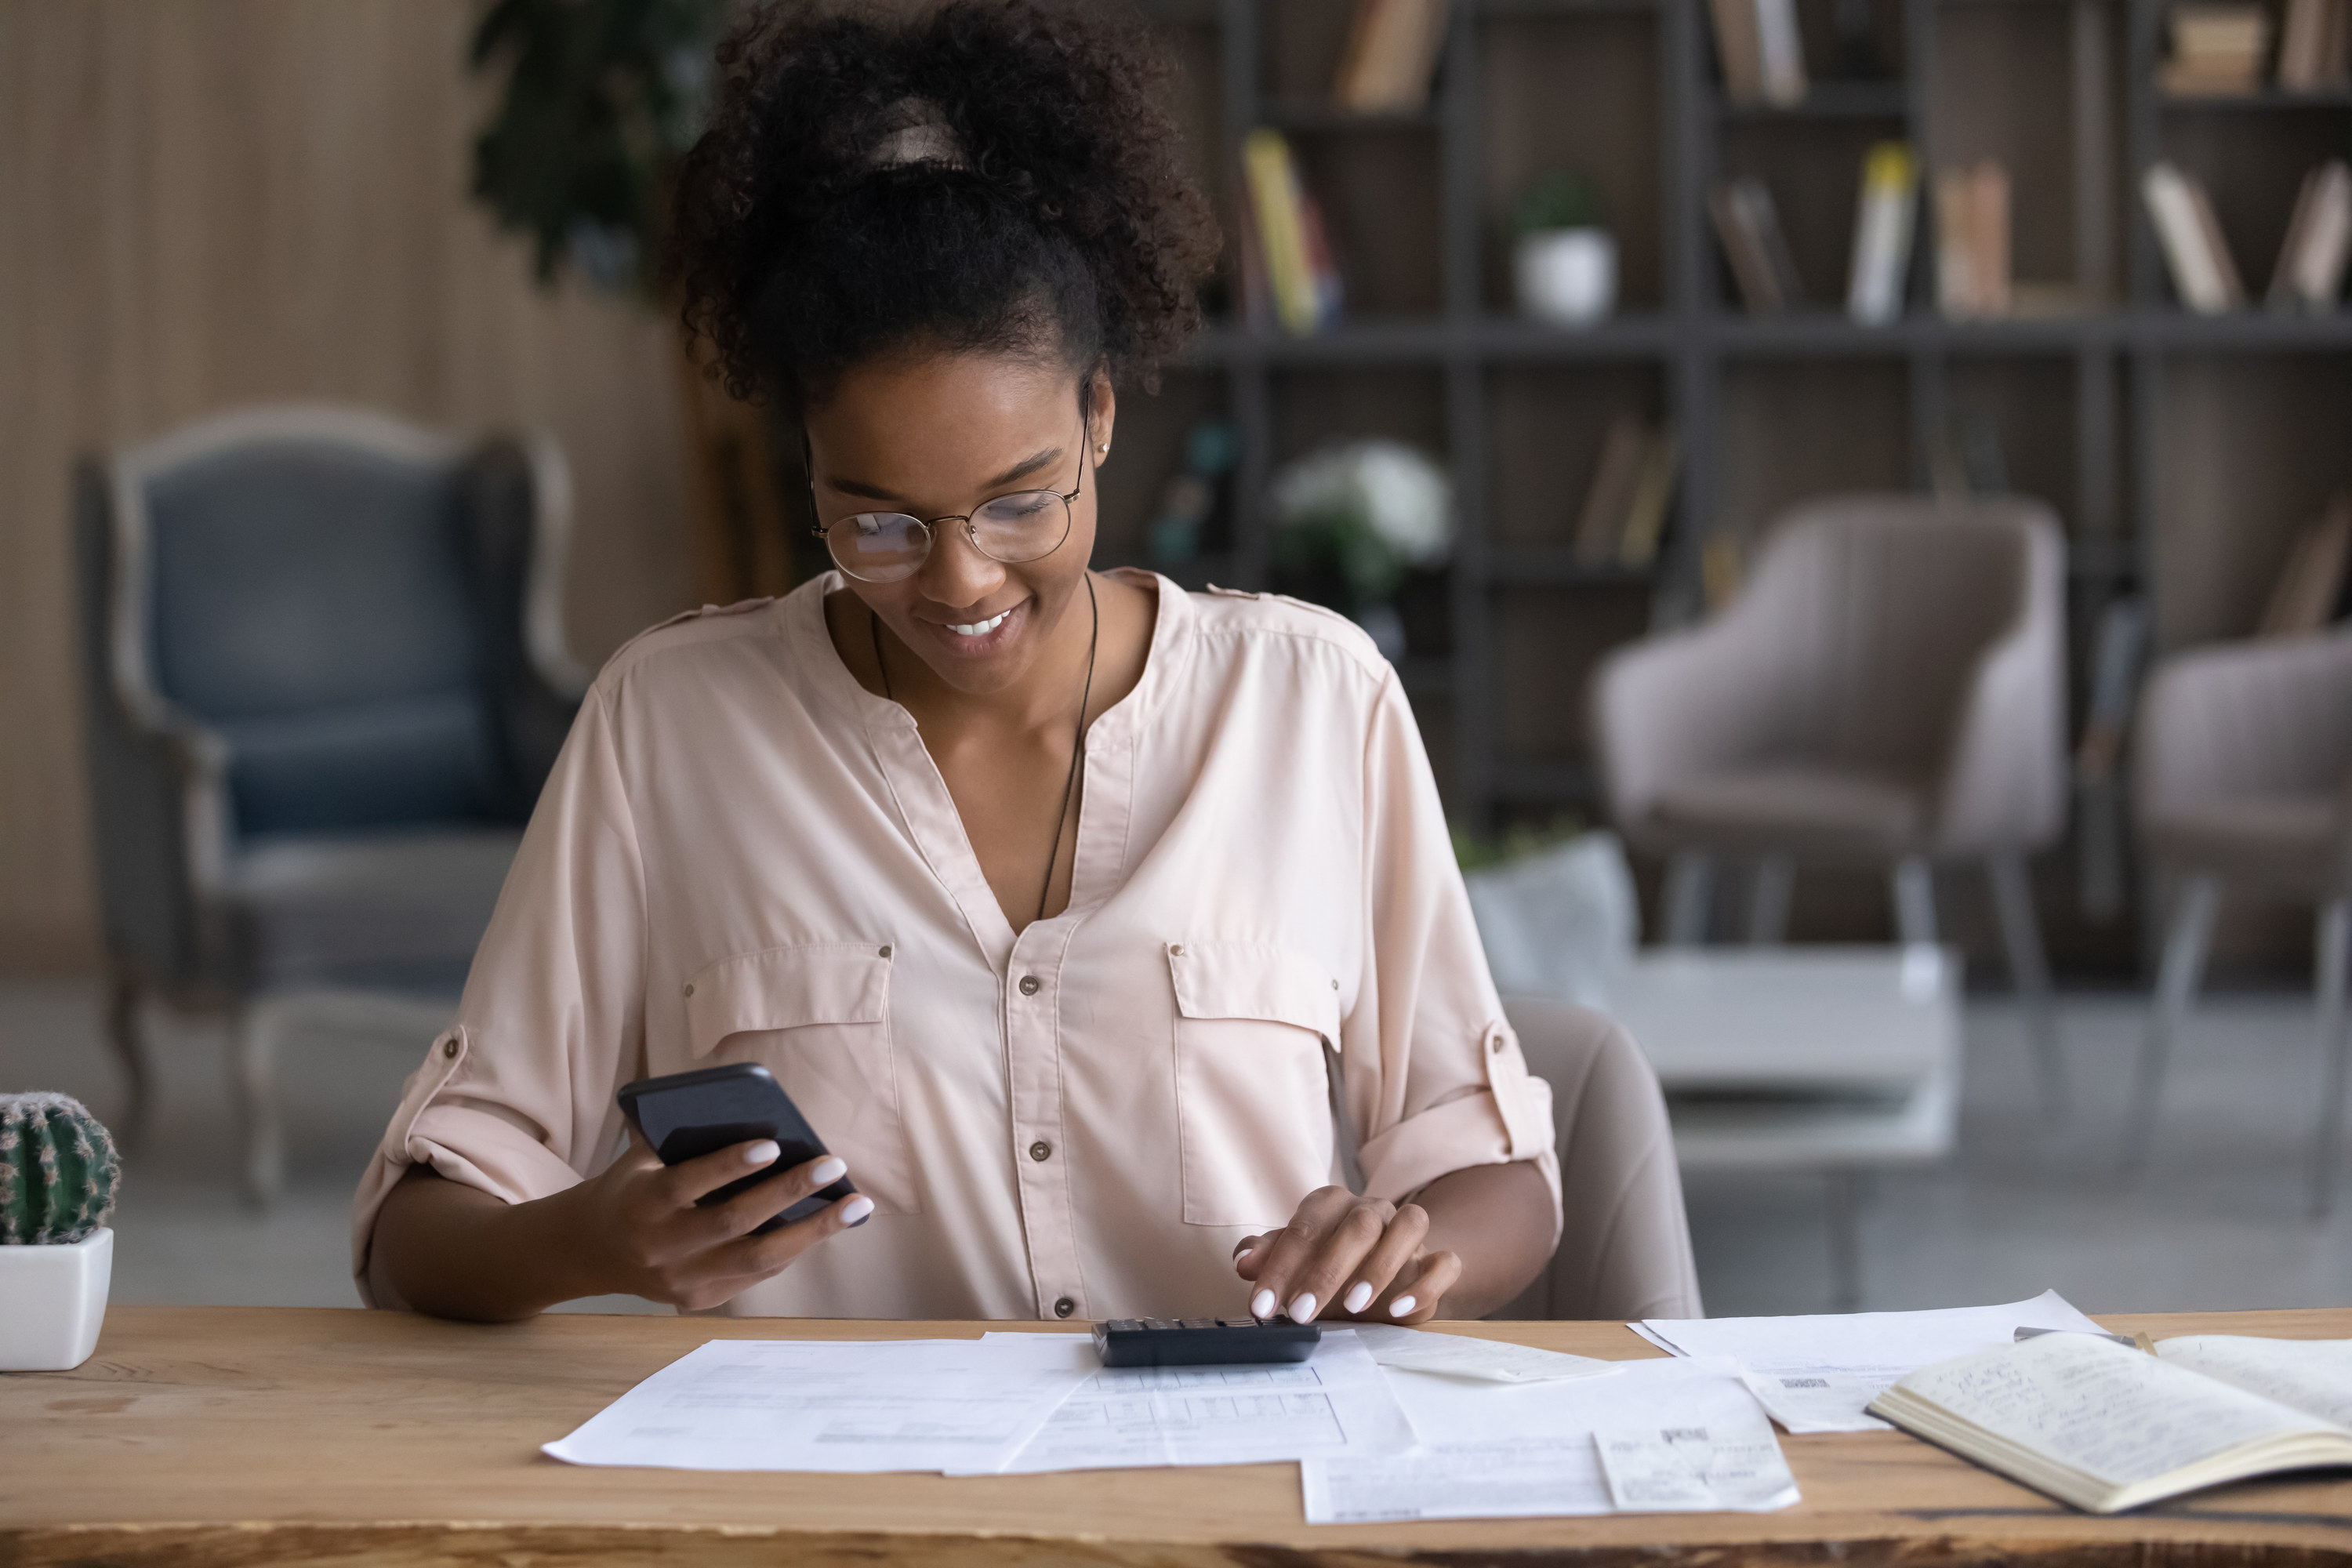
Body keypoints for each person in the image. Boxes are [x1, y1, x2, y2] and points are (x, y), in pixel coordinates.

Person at [356, 0, 1560, 1326]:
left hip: (1221, 1494)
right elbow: (418, 1228)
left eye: (1016, 501)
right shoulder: (670, 728)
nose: (959, 579)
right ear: (805, 466)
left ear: (1098, 416)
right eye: (878, 520)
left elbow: (1496, 1174)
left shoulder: (1313, 705)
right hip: (838, 1514)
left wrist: (1399, 1252)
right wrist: (591, 1241)